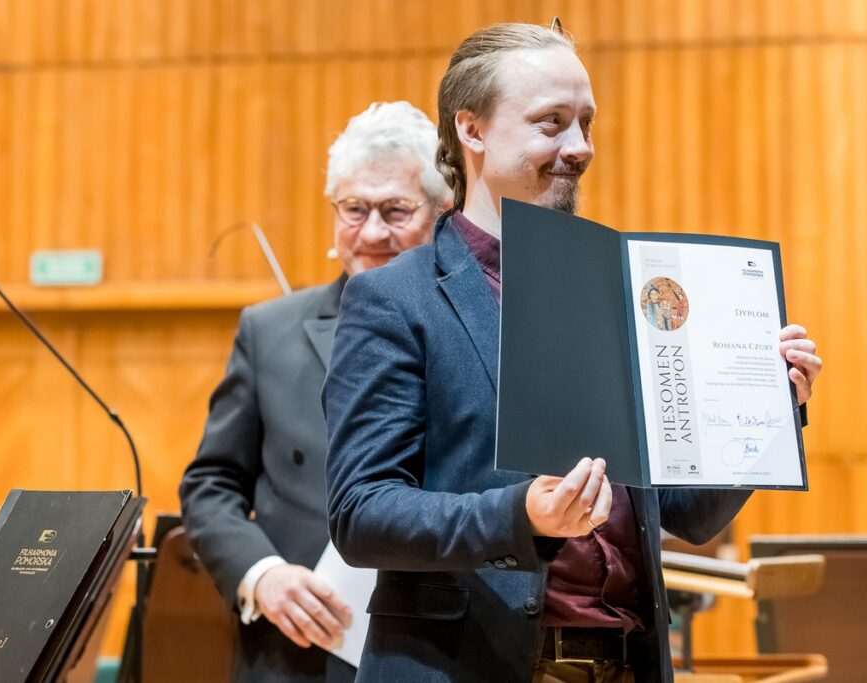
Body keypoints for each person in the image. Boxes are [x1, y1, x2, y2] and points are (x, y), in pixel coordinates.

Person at [322, 24, 822, 683]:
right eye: (551, 122)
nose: (579, 147)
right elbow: (362, 512)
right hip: (471, 667)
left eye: (585, 122)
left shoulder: (620, 286)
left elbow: (687, 513)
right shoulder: (395, 298)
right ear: (470, 130)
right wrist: (520, 515)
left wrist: (767, 407)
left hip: (626, 665)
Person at [179, 101, 452, 683]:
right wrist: (262, 575)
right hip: (293, 655)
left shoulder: (474, 328)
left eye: (396, 210)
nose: (372, 232)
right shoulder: (268, 329)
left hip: (438, 650)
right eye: (354, 209)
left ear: (440, 212)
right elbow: (210, 483)